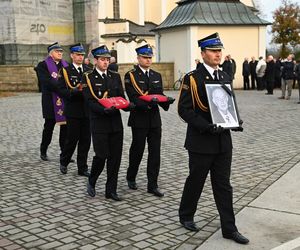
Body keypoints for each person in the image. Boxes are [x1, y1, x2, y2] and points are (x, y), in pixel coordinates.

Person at [177, 32, 248, 245]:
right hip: (201, 141)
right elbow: (184, 110)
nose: (218, 55)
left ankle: (229, 228)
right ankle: (186, 215)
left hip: (223, 142)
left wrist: (235, 122)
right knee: (196, 180)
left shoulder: (225, 76)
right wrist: (206, 127)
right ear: (203, 53)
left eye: (219, 51)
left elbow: (228, 107)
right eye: (213, 51)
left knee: (223, 185)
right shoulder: (192, 77)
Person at [124, 44, 175, 197]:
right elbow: (132, 97)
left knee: (155, 152)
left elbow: (159, 94)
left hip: (154, 120)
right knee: (137, 150)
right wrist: (148, 103)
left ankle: (152, 184)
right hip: (139, 119)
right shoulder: (130, 75)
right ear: (138, 58)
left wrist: (166, 101)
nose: (148, 60)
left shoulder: (156, 75)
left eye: (149, 57)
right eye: (145, 57)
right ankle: (131, 176)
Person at [83, 45, 130, 201]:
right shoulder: (88, 77)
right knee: (101, 156)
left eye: (107, 59)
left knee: (115, 158)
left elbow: (121, 96)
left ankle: (111, 190)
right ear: (95, 60)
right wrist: (103, 110)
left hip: (115, 123)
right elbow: (89, 101)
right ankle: (92, 179)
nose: (105, 62)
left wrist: (128, 106)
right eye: (102, 59)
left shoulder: (115, 76)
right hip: (99, 123)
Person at [55, 43, 91, 177]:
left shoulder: (89, 70)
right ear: (72, 56)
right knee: (72, 139)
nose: (80, 57)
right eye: (77, 55)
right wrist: (75, 92)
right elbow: (61, 90)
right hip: (73, 110)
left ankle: (82, 167)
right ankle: (64, 161)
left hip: (87, 110)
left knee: (86, 140)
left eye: (82, 55)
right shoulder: (65, 71)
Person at [35, 42, 68, 161]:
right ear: (51, 53)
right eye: (57, 51)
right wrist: (62, 87)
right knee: (49, 127)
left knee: (65, 128)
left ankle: (64, 153)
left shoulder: (66, 65)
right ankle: (43, 150)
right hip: (50, 101)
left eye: (61, 51)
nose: (60, 53)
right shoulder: (42, 65)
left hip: (64, 100)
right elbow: (46, 81)